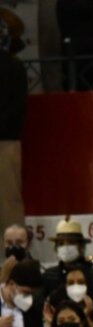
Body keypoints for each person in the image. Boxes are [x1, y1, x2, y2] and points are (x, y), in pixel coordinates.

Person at [0, 10, 26, 232]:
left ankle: (13, 252)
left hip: (5, 141)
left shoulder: (12, 66)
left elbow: (14, 110)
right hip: (6, 139)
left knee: (8, 202)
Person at [46, 218, 91, 294]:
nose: (65, 247)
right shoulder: (49, 275)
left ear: (81, 247)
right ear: (56, 248)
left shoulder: (91, 272)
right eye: (61, 244)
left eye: (71, 243)